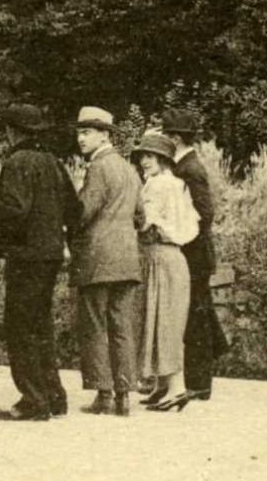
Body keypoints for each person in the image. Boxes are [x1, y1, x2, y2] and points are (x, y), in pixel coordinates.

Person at [0, 104, 80, 421]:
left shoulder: (17, 162)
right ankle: (54, 396)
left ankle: (33, 399)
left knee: (20, 326)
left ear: (13, 131)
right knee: (41, 326)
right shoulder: (54, 163)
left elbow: (13, 210)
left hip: (26, 256)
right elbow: (75, 208)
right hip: (50, 255)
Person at [70, 106, 144, 417]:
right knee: (122, 325)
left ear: (104, 134)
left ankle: (103, 394)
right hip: (127, 258)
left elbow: (83, 212)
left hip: (97, 259)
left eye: (87, 132)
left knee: (95, 326)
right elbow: (140, 215)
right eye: (79, 132)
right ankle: (124, 394)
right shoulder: (129, 169)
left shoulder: (98, 168)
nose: (80, 138)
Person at [159, 109, 227, 404]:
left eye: (166, 135)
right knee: (199, 314)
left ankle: (199, 383)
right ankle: (207, 365)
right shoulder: (184, 166)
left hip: (194, 255)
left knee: (196, 317)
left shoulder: (189, 169)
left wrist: (182, 236)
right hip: (193, 254)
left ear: (175, 138)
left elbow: (204, 214)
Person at [130, 132, 201, 411]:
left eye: (150, 157)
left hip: (159, 256)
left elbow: (144, 222)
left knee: (163, 321)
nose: (145, 162)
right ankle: (163, 386)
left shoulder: (158, 186)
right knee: (164, 319)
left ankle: (176, 388)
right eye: (142, 157)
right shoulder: (177, 184)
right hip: (173, 259)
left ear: (163, 160)